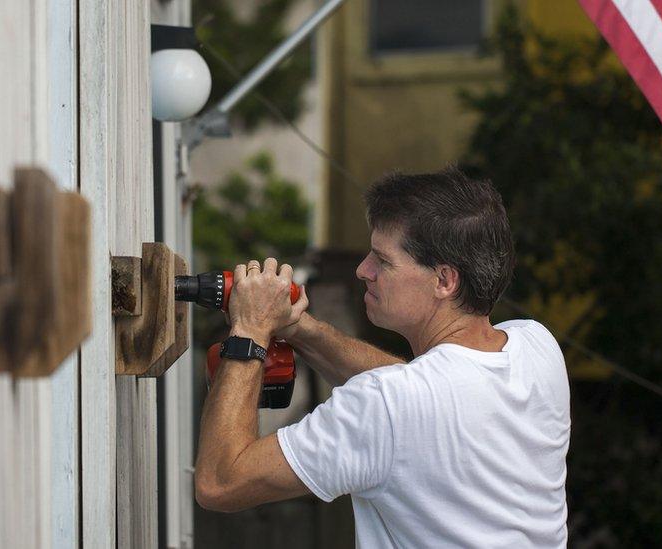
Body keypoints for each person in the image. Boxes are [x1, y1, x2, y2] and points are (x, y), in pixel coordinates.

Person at [194, 167, 571, 547]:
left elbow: (220, 482)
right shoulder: (537, 348)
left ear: (444, 280)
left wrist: (250, 330)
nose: (362, 271)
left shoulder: (392, 404)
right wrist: (300, 329)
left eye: (382, 261)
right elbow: (419, 391)